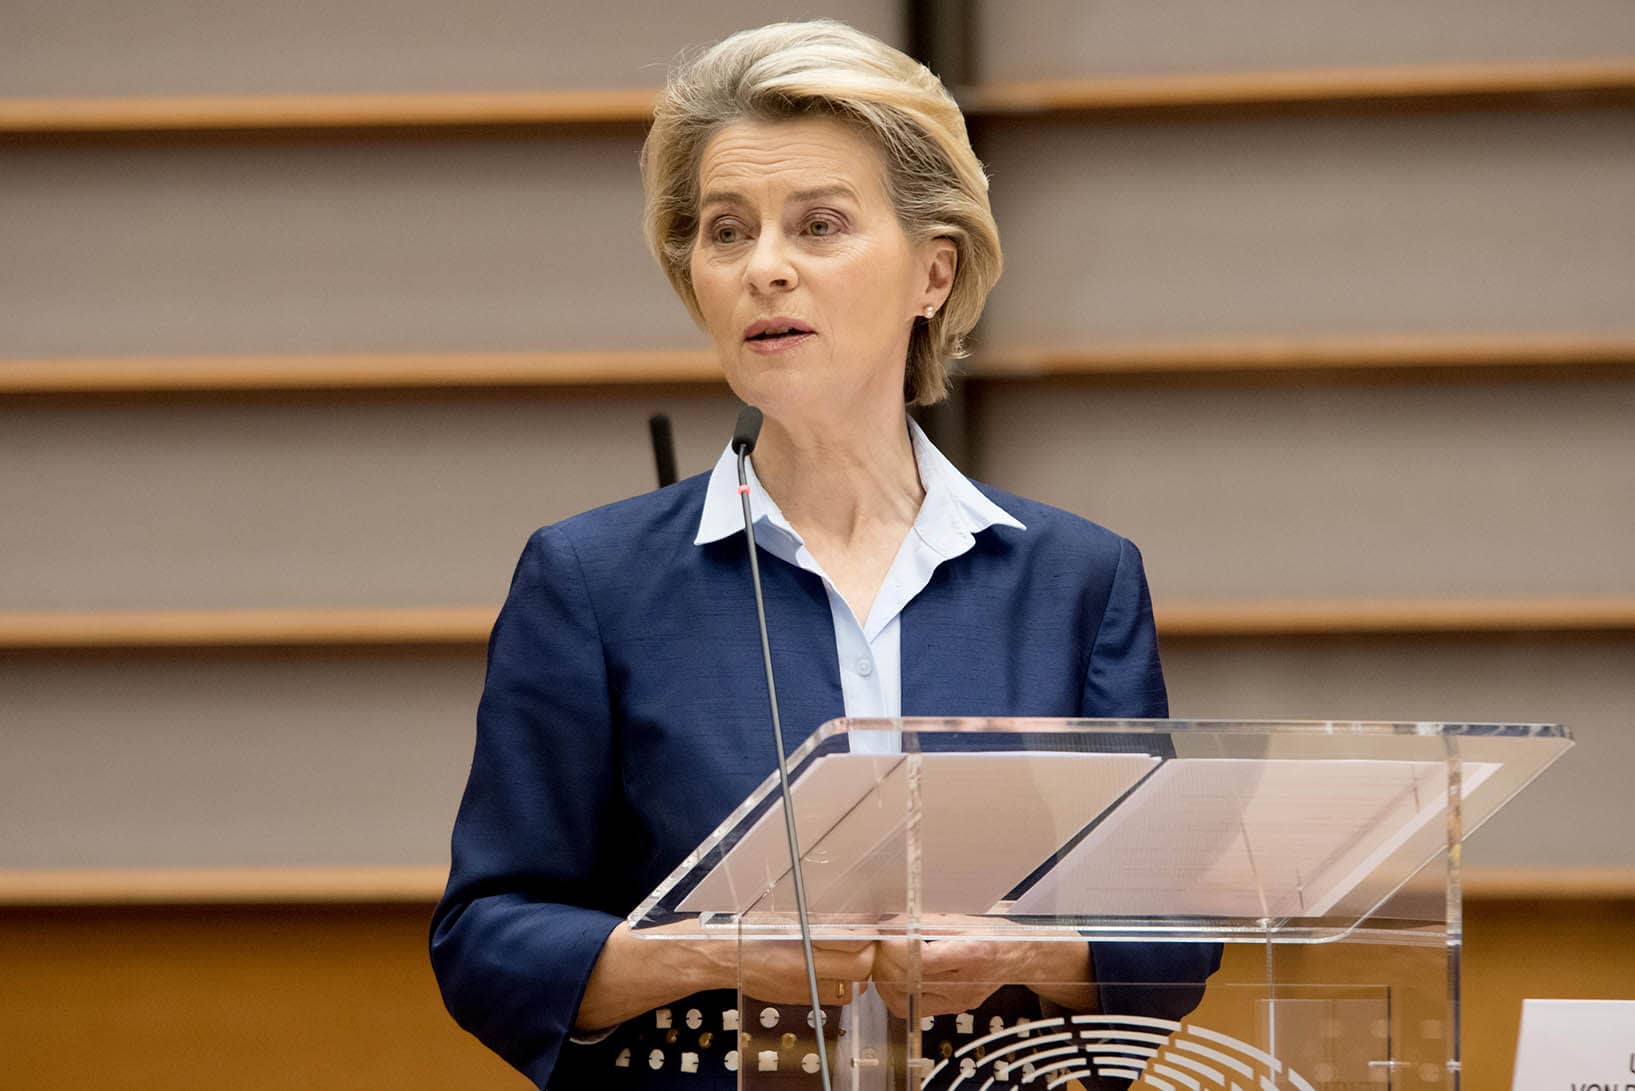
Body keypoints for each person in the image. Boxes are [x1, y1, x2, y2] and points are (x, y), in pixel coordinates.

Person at [430, 20, 1219, 1089]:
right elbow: (488, 936)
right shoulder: (591, 581)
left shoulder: (1076, 580)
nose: (765, 268)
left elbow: (1170, 932)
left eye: (820, 225)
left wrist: (1016, 956)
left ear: (932, 271)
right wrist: (713, 950)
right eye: (726, 231)